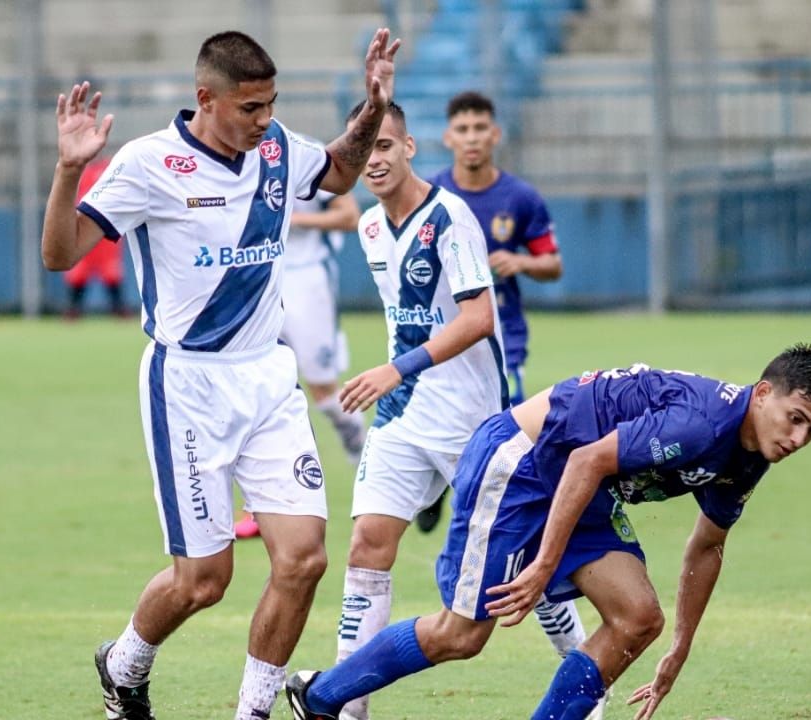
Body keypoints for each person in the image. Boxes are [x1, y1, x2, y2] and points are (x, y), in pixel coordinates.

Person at [40, 28, 401, 720]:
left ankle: (253, 712)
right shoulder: (148, 164)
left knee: (303, 560)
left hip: (268, 378)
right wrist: (67, 171)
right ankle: (124, 665)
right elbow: (60, 255)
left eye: (271, 105)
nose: (264, 121)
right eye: (250, 108)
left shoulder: (273, 148)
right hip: (188, 388)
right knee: (205, 581)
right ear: (206, 98)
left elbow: (336, 172)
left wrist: (373, 107)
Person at [287, 344, 811, 720]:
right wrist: (544, 567)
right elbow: (584, 461)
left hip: (584, 480)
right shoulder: (703, 423)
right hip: (524, 462)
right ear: (764, 394)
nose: (799, 438)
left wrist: (679, 648)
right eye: (795, 418)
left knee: (638, 619)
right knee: (462, 636)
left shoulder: (749, 457)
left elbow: (708, 543)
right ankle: (319, 697)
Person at [325, 101, 587, 720]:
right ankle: (346, 703)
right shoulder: (367, 227)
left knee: (528, 566)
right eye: (364, 152)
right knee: (367, 542)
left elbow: (477, 318)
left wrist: (399, 366)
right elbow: (406, 320)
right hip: (401, 417)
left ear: (411, 148)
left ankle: (586, 686)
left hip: (475, 423)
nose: (375, 161)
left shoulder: (450, 218)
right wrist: (396, 378)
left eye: (385, 147)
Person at [415, 90, 565, 535]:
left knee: (505, 429)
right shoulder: (432, 196)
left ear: (495, 134)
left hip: (503, 337)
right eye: (462, 129)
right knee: (439, 418)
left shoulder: (520, 197)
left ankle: (508, 516)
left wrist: (520, 262)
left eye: (480, 128)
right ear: (447, 138)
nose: (472, 138)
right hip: (443, 332)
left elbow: (552, 263)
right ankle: (437, 487)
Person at [235, 188, 366, 540]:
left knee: (323, 389)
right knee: (258, 390)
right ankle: (257, 506)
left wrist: (294, 220)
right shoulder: (231, 158)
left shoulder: (306, 159)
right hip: (255, 278)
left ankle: (361, 447)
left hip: (307, 280)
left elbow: (349, 216)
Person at [63, 157, 126, 319]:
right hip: (87, 228)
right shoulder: (81, 173)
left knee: (111, 273)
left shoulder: (114, 169)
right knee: (79, 273)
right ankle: (73, 309)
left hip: (106, 233)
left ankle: (119, 309)